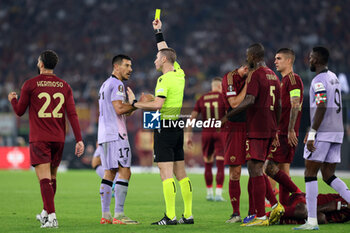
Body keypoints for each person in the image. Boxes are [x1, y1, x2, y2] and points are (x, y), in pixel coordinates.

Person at [127, 19, 193, 225]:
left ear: (164, 60)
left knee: (165, 173)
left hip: (164, 126)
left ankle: (171, 216)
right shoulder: (179, 74)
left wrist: (135, 103)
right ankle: (188, 215)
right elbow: (167, 51)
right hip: (177, 126)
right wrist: (158, 32)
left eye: (157, 58)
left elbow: (157, 105)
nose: (155, 60)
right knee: (180, 172)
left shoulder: (164, 80)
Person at [8, 50, 84, 228]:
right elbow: (72, 114)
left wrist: (13, 100)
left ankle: (52, 218)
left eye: (37, 61)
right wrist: (79, 139)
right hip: (59, 138)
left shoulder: (30, 84)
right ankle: (45, 212)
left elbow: (19, 111)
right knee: (52, 177)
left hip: (40, 138)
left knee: (44, 179)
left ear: (41, 64)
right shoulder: (64, 85)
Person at [223, 43, 284, 226]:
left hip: (256, 128)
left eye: (247, 56)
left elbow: (246, 101)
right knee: (256, 169)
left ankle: (261, 215)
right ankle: (264, 210)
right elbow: (279, 105)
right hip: (269, 127)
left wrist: (226, 117)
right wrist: (277, 127)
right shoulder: (273, 75)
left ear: (252, 56)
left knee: (255, 170)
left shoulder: (256, 75)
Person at [294, 47, 350, 230]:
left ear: (317, 59)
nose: (308, 60)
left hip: (324, 132)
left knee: (310, 173)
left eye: (311, 57)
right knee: (328, 175)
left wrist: (312, 133)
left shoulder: (319, 79)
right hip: (337, 131)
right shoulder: (334, 77)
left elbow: (322, 105)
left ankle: (311, 220)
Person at [97, 54, 138, 225]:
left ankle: (105, 215)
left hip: (105, 134)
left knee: (109, 172)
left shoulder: (105, 84)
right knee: (125, 171)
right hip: (117, 134)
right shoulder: (118, 84)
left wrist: (132, 107)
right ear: (116, 67)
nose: (130, 69)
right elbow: (120, 109)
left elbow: (121, 110)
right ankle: (119, 214)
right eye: (127, 65)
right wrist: (136, 103)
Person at [265, 48, 303, 205]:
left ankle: (297, 194)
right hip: (281, 132)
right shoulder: (283, 82)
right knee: (283, 169)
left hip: (286, 133)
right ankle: (285, 205)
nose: (275, 61)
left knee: (268, 168)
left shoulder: (293, 79)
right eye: (275, 58)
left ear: (289, 61)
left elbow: (295, 105)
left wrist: (289, 129)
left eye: (279, 58)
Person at [186, 77, 226, 202]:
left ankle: (209, 193)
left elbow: (192, 117)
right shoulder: (224, 98)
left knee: (208, 163)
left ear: (212, 86)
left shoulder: (202, 98)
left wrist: (188, 135)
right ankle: (218, 193)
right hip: (220, 132)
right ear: (220, 86)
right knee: (220, 164)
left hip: (206, 133)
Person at [221, 64, 249, 223]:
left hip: (253, 126)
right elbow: (235, 104)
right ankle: (236, 213)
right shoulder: (230, 78)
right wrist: (247, 85)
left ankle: (257, 211)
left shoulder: (255, 76)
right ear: (245, 68)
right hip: (235, 127)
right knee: (235, 172)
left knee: (257, 169)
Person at [277, 192, 350, 225]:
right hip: (301, 200)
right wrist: (310, 213)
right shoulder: (348, 199)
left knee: (320, 218)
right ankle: (270, 214)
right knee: (303, 211)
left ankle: (281, 219)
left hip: (319, 212)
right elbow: (331, 206)